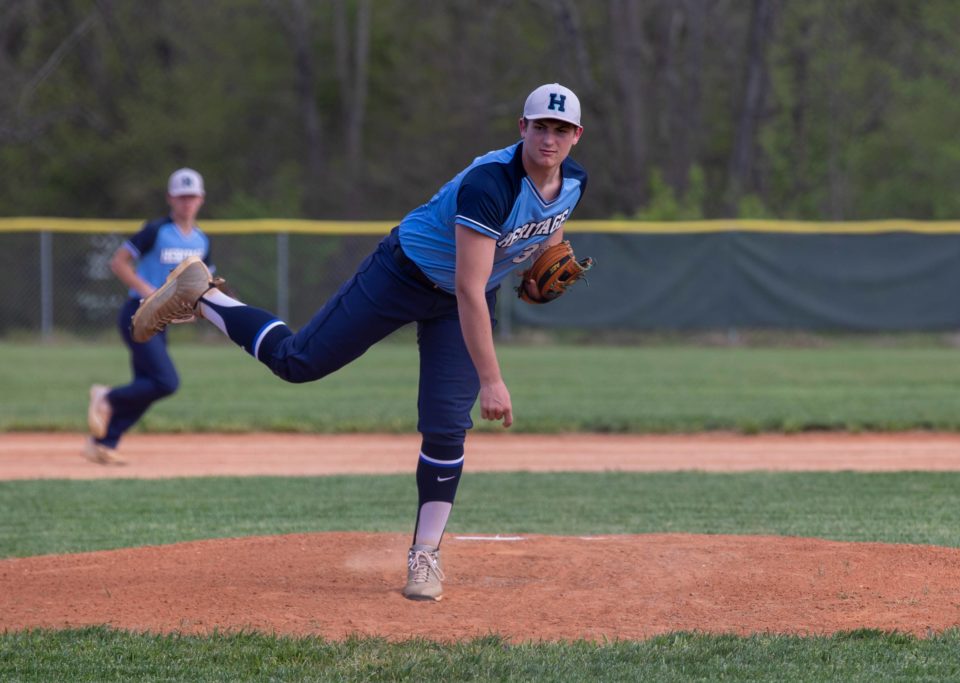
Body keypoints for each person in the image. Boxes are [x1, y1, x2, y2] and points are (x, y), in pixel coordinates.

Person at [130, 83, 587, 601]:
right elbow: (468, 286)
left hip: (460, 301)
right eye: (540, 126)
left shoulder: (574, 180)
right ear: (522, 127)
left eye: (561, 129)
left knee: (446, 428)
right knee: (298, 361)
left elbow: (549, 225)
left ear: (577, 135)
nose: (549, 138)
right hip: (403, 276)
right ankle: (204, 296)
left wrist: (543, 262)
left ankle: (425, 555)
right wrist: (492, 379)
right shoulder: (491, 183)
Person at [85, 168, 216, 465]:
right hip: (138, 314)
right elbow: (119, 262)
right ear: (170, 198)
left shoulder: (202, 240)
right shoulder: (156, 230)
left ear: (201, 199)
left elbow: (205, 282)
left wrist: (199, 307)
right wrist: (150, 291)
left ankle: (103, 443)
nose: (187, 202)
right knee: (166, 382)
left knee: (148, 385)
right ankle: (106, 397)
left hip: (163, 320)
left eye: (192, 196)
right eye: (181, 197)